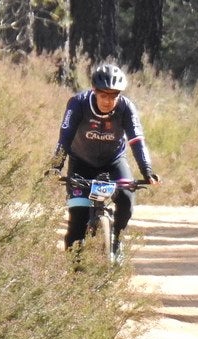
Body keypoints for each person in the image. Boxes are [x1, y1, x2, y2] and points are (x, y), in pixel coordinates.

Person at [47, 63, 159, 260]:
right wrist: (55, 166)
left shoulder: (126, 108)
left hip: (113, 162)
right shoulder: (78, 103)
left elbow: (136, 140)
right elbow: (64, 138)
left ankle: (116, 241)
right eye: (103, 95)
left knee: (126, 200)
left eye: (114, 96)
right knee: (77, 220)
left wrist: (147, 170)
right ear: (94, 91)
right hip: (81, 162)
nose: (108, 101)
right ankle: (74, 275)